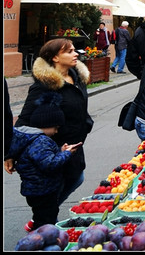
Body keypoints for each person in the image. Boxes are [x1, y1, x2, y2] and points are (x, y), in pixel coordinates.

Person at [8, 38, 94, 231]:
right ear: (55, 57)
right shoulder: (44, 85)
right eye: (70, 51)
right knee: (64, 182)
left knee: (76, 177)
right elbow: (25, 118)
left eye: (74, 50)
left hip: (74, 142)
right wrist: (10, 152)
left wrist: (86, 123)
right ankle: (42, 222)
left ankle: (43, 215)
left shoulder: (77, 76)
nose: (76, 54)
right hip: (53, 146)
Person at [6, 92, 81, 230]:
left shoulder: (31, 138)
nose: (56, 132)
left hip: (35, 190)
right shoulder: (41, 141)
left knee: (42, 216)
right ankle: (43, 241)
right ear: (46, 124)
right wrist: (67, 154)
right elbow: (49, 164)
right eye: (56, 128)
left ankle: (40, 231)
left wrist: (60, 150)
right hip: (43, 190)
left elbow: (41, 158)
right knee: (47, 219)